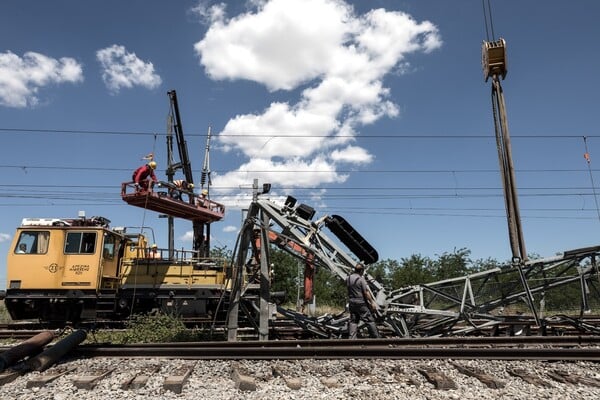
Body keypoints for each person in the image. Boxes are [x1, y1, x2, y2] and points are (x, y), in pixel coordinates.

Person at [346, 262, 380, 339]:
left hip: (352, 302)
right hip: (361, 303)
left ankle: (352, 339)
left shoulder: (348, 278)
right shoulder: (361, 279)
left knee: (353, 321)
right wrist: (372, 303)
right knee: (369, 320)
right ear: (361, 271)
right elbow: (366, 292)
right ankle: (376, 338)